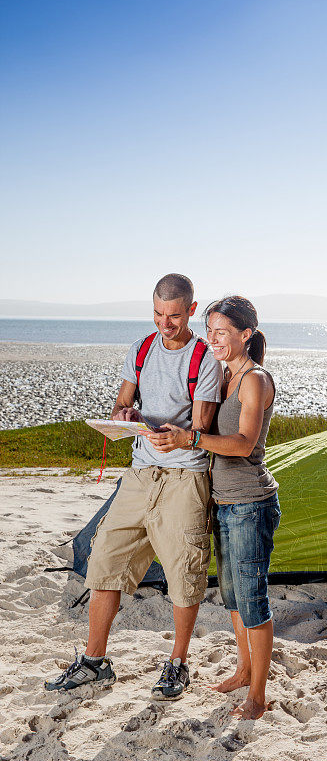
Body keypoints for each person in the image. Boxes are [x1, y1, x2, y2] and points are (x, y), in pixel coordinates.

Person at [44, 273, 222, 699]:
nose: (166, 324)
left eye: (175, 316)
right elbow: (121, 404)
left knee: (184, 571)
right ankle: (94, 661)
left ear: (191, 311)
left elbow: (199, 427)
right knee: (104, 559)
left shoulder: (205, 359)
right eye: (159, 314)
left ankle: (178, 663)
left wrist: (171, 434)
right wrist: (124, 416)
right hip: (139, 475)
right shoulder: (140, 349)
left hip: (185, 477)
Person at [140, 295, 280, 720]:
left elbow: (243, 444)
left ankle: (257, 696)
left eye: (222, 332)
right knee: (235, 599)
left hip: (250, 503)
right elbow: (196, 413)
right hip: (223, 502)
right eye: (211, 331)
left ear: (246, 334)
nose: (213, 339)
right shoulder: (223, 374)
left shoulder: (255, 379)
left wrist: (191, 440)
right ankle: (243, 670)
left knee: (254, 602)